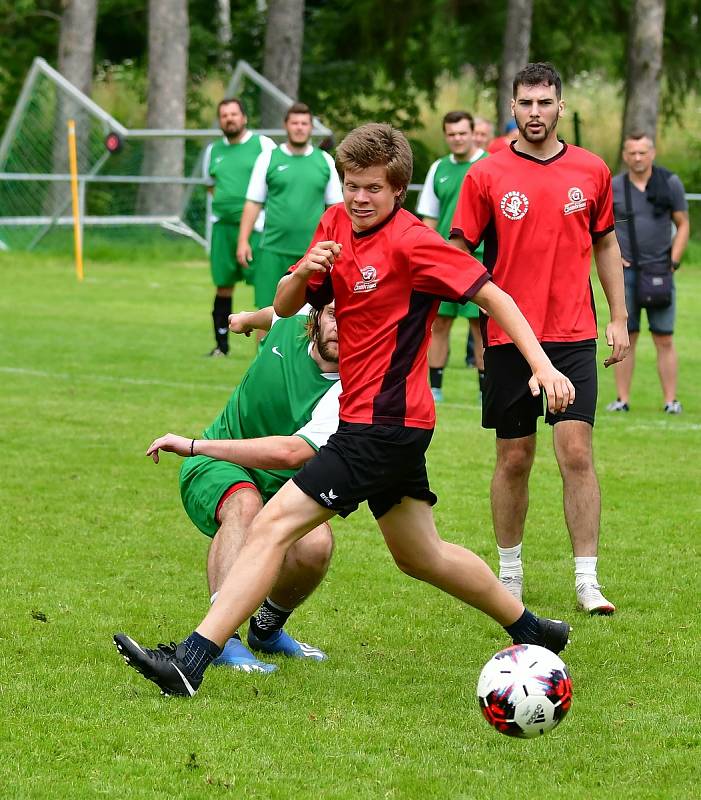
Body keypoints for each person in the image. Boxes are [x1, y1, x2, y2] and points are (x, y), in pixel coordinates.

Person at [115, 121, 576, 698]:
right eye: (351, 185)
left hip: (383, 425)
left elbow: (493, 294)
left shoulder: (415, 243)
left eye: (372, 189)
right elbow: (286, 306)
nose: (359, 199)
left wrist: (543, 366)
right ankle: (532, 629)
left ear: (398, 191)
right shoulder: (335, 224)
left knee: (273, 525)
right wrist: (305, 269)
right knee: (421, 554)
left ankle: (191, 660)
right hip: (380, 424)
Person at [451, 62, 630, 615]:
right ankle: (509, 575)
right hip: (509, 340)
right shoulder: (486, 175)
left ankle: (587, 580)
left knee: (576, 451)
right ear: (512, 107)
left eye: (544, 102)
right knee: (514, 458)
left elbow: (605, 245)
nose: (535, 112)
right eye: (525, 102)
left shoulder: (591, 170)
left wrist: (619, 316)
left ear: (560, 106)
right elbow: (459, 251)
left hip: (573, 335)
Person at [140, 303, 342, 673]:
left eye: (355, 322)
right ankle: (221, 638)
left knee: (316, 545)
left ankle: (266, 629)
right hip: (217, 461)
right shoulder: (294, 321)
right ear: (316, 317)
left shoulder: (349, 392)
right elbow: (276, 313)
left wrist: (190, 444)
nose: (340, 328)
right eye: (332, 315)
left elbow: (288, 452)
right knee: (244, 504)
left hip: (269, 475)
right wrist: (244, 320)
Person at [606, 132, 690, 414]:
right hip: (626, 274)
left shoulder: (669, 183)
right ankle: (621, 399)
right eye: (632, 153)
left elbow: (683, 224)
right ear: (625, 155)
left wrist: (673, 262)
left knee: (664, 337)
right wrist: (616, 258)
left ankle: (670, 400)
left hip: (660, 272)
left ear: (652, 153)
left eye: (643, 152)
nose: (638, 158)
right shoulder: (614, 186)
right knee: (626, 336)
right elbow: (602, 228)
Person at [237, 102, 343, 317]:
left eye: (304, 123)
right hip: (273, 249)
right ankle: (265, 353)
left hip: (314, 252)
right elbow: (253, 202)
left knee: (312, 314)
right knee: (268, 311)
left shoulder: (324, 160)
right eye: (295, 122)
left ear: (311, 127)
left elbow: (337, 208)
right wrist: (243, 240)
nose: (299, 127)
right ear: (286, 126)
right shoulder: (268, 158)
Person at [417, 111, 488, 402]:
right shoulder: (439, 168)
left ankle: (486, 390)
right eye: (452, 134)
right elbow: (429, 219)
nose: (457, 139)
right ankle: (435, 389)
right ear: (446, 136)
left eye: (462, 133)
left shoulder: (488, 165)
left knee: (480, 326)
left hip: (479, 258)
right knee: (439, 323)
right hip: (444, 260)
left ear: (473, 133)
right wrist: (422, 256)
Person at [203, 98, 276, 357]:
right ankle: (221, 348)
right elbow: (211, 185)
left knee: (268, 286)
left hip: (258, 228)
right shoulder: (213, 150)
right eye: (224, 115)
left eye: (234, 114)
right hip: (223, 229)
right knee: (223, 285)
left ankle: (270, 349)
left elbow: (275, 180)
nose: (229, 119)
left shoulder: (263, 145)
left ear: (244, 117)